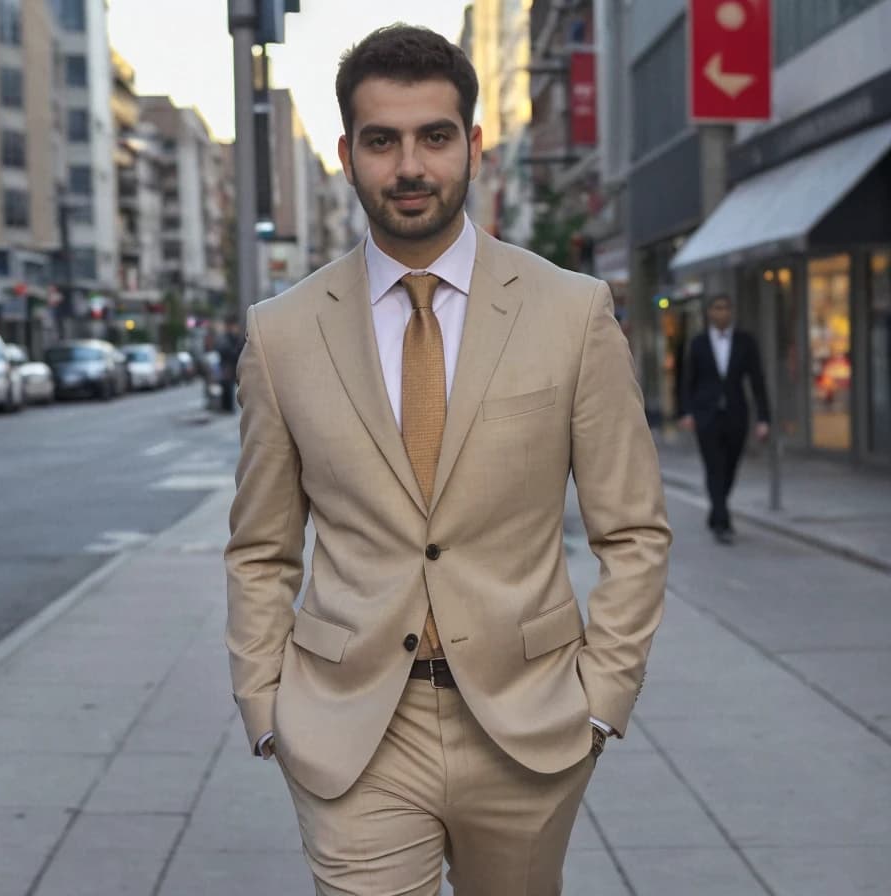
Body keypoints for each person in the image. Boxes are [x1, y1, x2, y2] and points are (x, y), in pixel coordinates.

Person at [225, 25, 671, 895]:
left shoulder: (573, 312)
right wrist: (265, 702)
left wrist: (602, 697)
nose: (410, 167)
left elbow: (635, 529)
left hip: (531, 722)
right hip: (352, 728)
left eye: (434, 137)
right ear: (348, 155)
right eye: (383, 141)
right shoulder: (280, 334)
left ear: (471, 145)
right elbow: (261, 547)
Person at [679, 294, 771, 545]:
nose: (721, 313)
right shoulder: (698, 343)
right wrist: (686, 412)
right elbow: (688, 380)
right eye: (717, 308)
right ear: (709, 313)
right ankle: (722, 521)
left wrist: (764, 418)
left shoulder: (745, 342)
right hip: (706, 416)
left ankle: (716, 510)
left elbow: (757, 381)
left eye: (726, 308)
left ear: (732, 312)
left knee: (730, 466)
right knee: (713, 466)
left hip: (736, 414)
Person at [215, 316, 243, 414]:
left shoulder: (233, 337)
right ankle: (227, 407)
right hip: (228, 366)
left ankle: (228, 407)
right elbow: (226, 351)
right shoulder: (226, 338)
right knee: (227, 387)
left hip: (231, 366)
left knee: (229, 387)